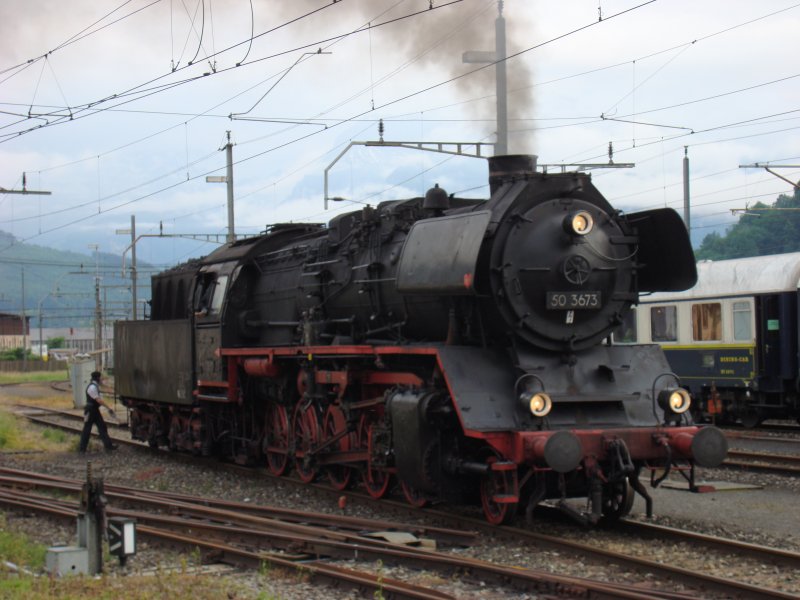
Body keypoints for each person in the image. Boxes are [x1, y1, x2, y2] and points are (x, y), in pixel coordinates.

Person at [78, 370, 117, 453]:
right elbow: (98, 400)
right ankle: (82, 449)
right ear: (98, 378)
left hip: (94, 410)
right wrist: (108, 408)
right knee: (87, 429)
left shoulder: (95, 386)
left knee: (102, 427)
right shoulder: (92, 387)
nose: (101, 380)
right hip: (90, 410)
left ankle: (108, 445)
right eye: (101, 378)